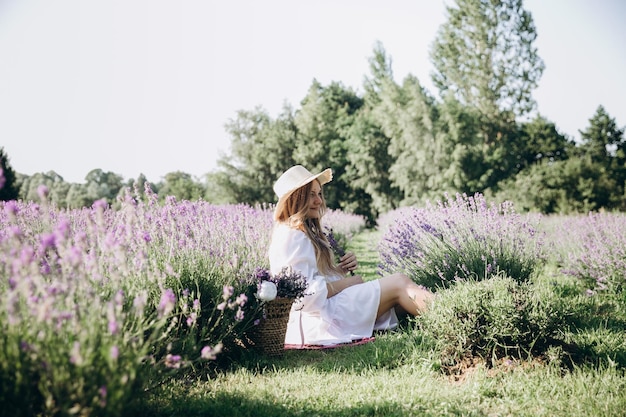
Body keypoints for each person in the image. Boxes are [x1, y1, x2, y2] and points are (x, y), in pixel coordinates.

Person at [268, 165, 433, 347]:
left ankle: (448, 310)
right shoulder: (293, 235)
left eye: (320, 194)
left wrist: (340, 271)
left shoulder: (298, 232)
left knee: (401, 299)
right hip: (321, 320)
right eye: (311, 195)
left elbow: (313, 280)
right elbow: (304, 296)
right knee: (399, 283)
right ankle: (453, 316)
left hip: (325, 313)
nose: (319, 201)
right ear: (296, 199)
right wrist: (347, 283)